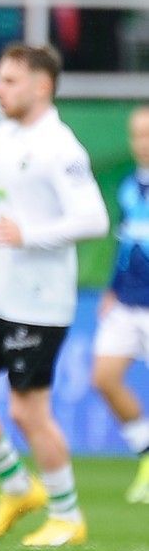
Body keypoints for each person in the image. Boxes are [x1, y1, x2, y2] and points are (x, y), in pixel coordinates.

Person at [0, 43, 108, 547]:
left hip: (40, 302)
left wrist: (28, 234)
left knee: (28, 412)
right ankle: (17, 488)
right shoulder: (6, 134)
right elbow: (6, 208)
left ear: (42, 86)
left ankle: (68, 516)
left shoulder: (62, 147)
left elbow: (93, 218)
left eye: (10, 81)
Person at [90, 105, 149, 503]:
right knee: (104, 378)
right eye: (137, 135)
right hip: (128, 302)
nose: (142, 143)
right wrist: (113, 287)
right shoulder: (130, 186)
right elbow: (126, 242)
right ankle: (147, 452)